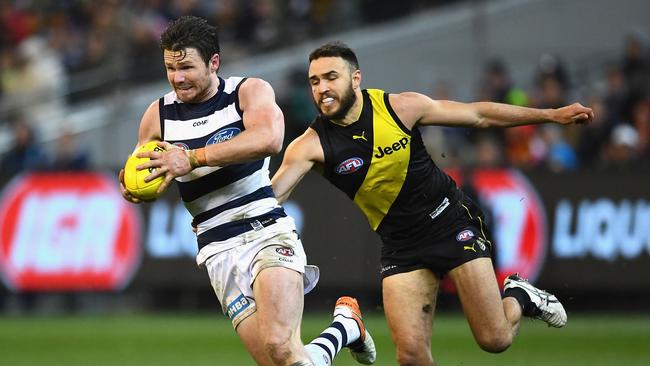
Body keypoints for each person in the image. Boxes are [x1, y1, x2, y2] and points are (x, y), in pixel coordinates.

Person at [271, 42, 594, 365]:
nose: (323, 89)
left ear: (356, 78)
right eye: (315, 82)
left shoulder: (399, 107)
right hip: (401, 245)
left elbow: (478, 115)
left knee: (495, 339)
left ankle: (520, 295)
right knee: (411, 357)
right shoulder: (308, 146)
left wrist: (551, 115)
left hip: (450, 222)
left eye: (331, 77)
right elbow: (269, 199)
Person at [118, 18, 375, 366]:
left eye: (186, 67)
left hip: (263, 230)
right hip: (216, 250)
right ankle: (344, 327)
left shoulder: (248, 92)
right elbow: (142, 165)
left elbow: (269, 138)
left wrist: (191, 158)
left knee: (281, 347)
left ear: (213, 62)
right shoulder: (158, 115)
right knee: (283, 361)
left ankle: (344, 327)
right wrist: (131, 184)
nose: (177, 77)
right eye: (170, 68)